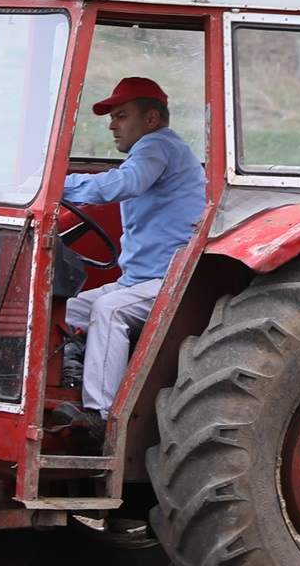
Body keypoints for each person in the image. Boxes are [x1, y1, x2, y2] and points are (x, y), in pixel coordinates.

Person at [56, 75, 203, 434]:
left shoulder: (158, 147)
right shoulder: (157, 152)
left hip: (171, 282)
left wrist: (53, 188)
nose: (111, 125)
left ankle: (101, 417)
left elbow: (125, 183)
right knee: (62, 310)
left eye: (121, 115)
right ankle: (69, 376)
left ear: (151, 119)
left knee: (110, 310)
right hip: (138, 280)